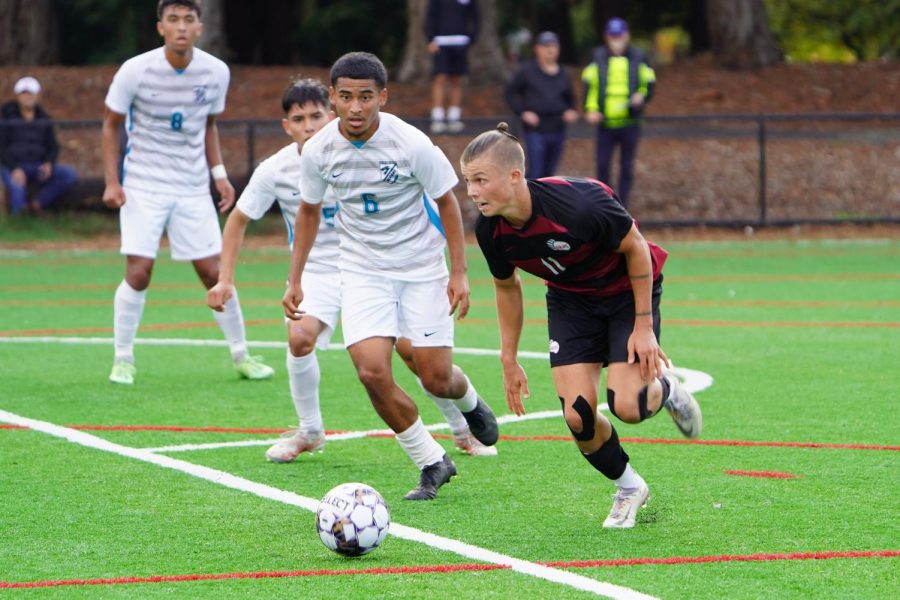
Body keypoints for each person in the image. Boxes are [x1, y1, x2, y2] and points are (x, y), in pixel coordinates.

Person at [207, 78, 495, 462]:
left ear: (329, 114)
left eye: (315, 117)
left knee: (419, 360)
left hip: (388, 265)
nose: (308, 126)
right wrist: (228, 278)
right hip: (326, 271)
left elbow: (439, 204)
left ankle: (462, 429)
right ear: (286, 125)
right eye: (298, 119)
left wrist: (453, 269)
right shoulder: (277, 169)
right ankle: (311, 431)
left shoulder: (390, 147)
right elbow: (240, 218)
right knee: (301, 340)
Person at [461, 123, 702, 528]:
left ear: (515, 176)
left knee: (628, 406)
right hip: (572, 302)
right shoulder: (491, 228)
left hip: (625, 292)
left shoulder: (579, 204)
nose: (472, 192)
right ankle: (629, 487)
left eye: (480, 180)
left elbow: (637, 248)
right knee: (578, 418)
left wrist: (643, 327)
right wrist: (508, 357)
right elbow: (507, 287)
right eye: (468, 181)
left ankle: (666, 388)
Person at [282, 52, 499, 500]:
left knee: (435, 378)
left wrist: (458, 272)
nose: (356, 107)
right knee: (371, 371)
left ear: (383, 96)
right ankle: (432, 462)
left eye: (365, 97)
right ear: (333, 98)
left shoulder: (412, 143)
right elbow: (307, 211)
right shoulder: (319, 150)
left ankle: (469, 401)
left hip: (422, 269)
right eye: (345, 97)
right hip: (362, 270)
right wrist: (295, 278)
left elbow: (447, 202)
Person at [101, 0, 274, 385]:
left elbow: (208, 125)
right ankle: (123, 359)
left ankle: (242, 355)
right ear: (160, 27)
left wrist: (219, 174)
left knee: (214, 271)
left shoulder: (215, 72)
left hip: (192, 185)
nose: (181, 26)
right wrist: (113, 181)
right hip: (143, 183)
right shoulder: (135, 70)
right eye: (173, 19)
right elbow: (112, 124)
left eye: (189, 20)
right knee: (140, 271)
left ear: (200, 27)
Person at [581, 17, 656, 208]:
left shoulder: (639, 56)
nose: (616, 39)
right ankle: (605, 204)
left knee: (627, 166)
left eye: (620, 35)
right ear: (607, 36)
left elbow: (648, 84)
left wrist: (641, 96)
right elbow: (590, 87)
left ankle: (623, 205)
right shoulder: (597, 56)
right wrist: (590, 109)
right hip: (606, 123)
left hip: (630, 121)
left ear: (627, 35)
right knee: (603, 165)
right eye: (613, 35)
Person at [504, 31, 579, 179]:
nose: (550, 50)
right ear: (537, 49)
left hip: (558, 128)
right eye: (545, 46)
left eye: (553, 46)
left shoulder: (563, 74)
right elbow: (510, 93)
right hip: (535, 129)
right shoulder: (527, 71)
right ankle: (531, 200)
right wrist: (523, 112)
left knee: (550, 172)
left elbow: (570, 99)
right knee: (536, 171)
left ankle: (545, 201)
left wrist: (571, 111)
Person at [0, 77, 78, 215]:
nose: (27, 97)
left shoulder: (44, 120)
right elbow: (2, 147)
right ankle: (18, 222)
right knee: (17, 188)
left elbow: (53, 146)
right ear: (18, 96)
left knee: (68, 174)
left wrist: (49, 163)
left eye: (30, 93)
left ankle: (38, 204)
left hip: (37, 165)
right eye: (24, 93)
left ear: (37, 96)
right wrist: (14, 169)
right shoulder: (7, 119)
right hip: (14, 166)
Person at [425, 0, 479, 134]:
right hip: (441, 42)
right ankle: (437, 117)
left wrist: (471, 37)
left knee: (457, 79)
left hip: (460, 43)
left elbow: (475, 16)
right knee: (440, 78)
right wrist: (430, 39)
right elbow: (430, 17)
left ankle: (453, 117)